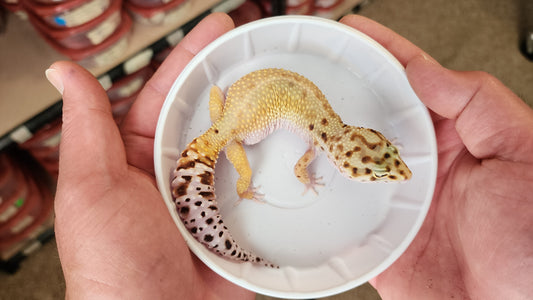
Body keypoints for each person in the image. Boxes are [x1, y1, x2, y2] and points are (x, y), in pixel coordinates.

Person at [45, 13, 533, 299]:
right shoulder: (317, 139)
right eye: (380, 169)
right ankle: (238, 190)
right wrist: (254, 183)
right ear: (346, 157)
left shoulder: (330, 125)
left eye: (383, 164)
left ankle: (225, 156)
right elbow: (302, 164)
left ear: (362, 139)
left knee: (230, 125)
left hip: (230, 108)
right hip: (234, 132)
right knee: (239, 151)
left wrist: (223, 108)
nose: (394, 172)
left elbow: (301, 156)